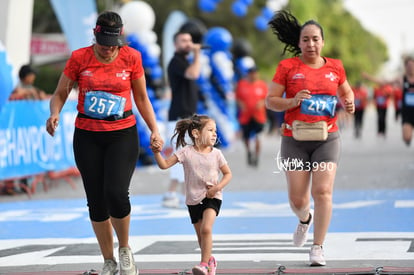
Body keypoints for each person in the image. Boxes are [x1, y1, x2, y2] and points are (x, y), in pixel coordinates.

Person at [45, 11, 163, 275]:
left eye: (113, 45)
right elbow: (60, 93)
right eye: (103, 45)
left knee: (116, 193)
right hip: (87, 135)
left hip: (122, 134)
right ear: (95, 37)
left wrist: (154, 129)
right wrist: (55, 113)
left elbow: (142, 98)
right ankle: (108, 260)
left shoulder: (132, 57)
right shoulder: (79, 58)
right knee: (96, 200)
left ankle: (124, 250)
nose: (109, 50)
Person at [266, 10, 355, 266]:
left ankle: (318, 247)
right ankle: (305, 219)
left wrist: (350, 104)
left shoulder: (335, 67)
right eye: (305, 39)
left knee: (323, 191)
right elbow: (270, 101)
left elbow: (347, 94)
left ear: (322, 42)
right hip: (294, 140)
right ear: (299, 43)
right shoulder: (287, 68)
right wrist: (293, 101)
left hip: (327, 138)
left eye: (315, 39)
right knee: (298, 200)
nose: (311, 44)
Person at [151, 114, 232, 275]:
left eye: (215, 131)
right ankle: (210, 262)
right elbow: (164, 165)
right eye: (210, 130)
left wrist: (217, 188)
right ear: (196, 133)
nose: (214, 134)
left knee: (206, 229)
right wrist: (156, 152)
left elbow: (228, 174)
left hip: (212, 197)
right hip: (192, 199)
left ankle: (203, 264)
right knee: (201, 236)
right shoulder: (186, 152)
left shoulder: (216, 154)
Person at [162, 30, 202, 208]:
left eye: (190, 40)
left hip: (186, 116)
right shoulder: (176, 62)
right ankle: (171, 193)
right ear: (175, 44)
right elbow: (193, 74)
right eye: (183, 40)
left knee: (187, 156)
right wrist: (197, 54)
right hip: (179, 117)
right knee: (181, 156)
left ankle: (184, 193)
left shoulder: (185, 61)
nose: (188, 43)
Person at [235, 66, 268, 166]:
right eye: (251, 73)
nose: (253, 75)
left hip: (259, 116)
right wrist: (241, 105)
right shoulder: (242, 84)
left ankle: (257, 155)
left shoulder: (262, 85)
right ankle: (249, 151)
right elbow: (237, 98)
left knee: (258, 136)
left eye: (255, 73)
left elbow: (267, 98)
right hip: (246, 116)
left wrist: (262, 103)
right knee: (246, 137)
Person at [401, 54, 414, 146]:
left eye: (412, 65)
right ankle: (409, 139)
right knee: (406, 138)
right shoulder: (402, 79)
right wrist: (368, 77)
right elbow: (384, 82)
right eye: (408, 66)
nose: (410, 68)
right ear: (405, 67)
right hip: (407, 113)